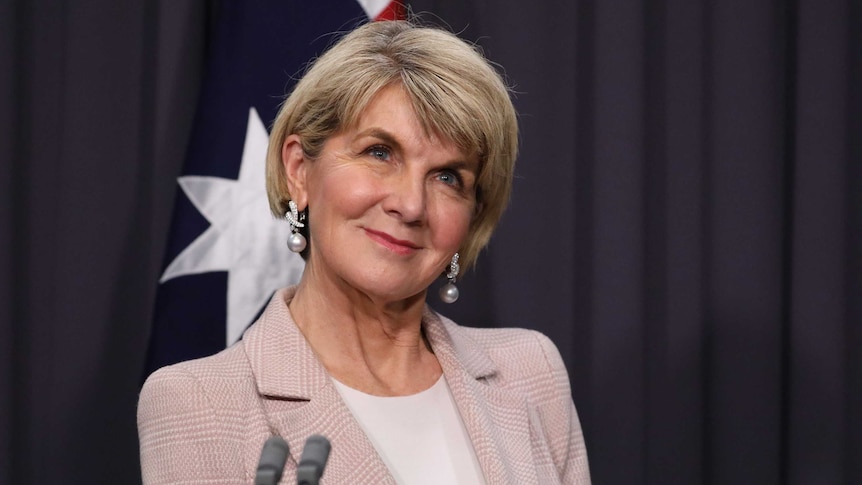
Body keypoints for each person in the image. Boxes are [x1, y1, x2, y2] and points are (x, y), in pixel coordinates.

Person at [138, 19, 590, 484]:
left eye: (448, 177)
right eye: (379, 152)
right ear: (298, 169)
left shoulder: (530, 372)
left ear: (473, 216)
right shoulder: (198, 402)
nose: (411, 204)